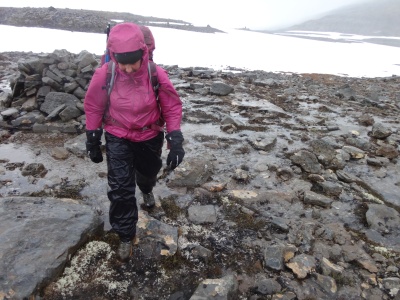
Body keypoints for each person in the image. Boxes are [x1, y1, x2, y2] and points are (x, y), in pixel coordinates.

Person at [84, 22, 185, 262]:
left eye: (133, 62)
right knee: (120, 188)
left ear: (143, 54)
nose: (128, 69)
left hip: (149, 135)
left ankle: (147, 189)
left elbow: (171, 106)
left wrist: (175, 138)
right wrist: (92, 136)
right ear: (114, 58)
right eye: (122, 63)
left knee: (148, 172)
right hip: (117, 135)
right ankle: (125, 235)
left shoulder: (155, 73)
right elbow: (94, 105)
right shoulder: (105, 73)